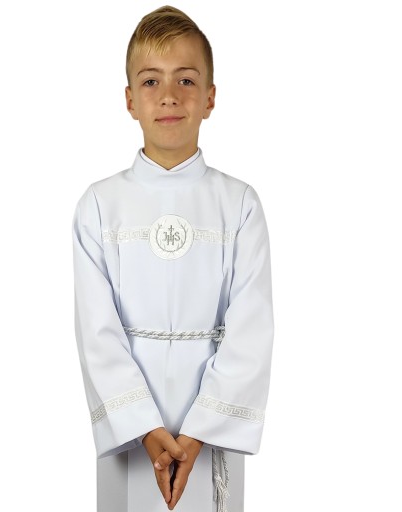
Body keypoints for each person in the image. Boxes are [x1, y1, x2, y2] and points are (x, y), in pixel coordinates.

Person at [71, 5, 274, 512]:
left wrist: (200, 431)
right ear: (129, 100)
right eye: (150, 81)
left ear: (210, 98)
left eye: (186, 80)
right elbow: (97, 331)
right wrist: (144, 428)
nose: (168, 96)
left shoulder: (239, 204)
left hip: (209, 428)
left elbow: (251, 326)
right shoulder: (100, 205)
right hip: (131, 433)